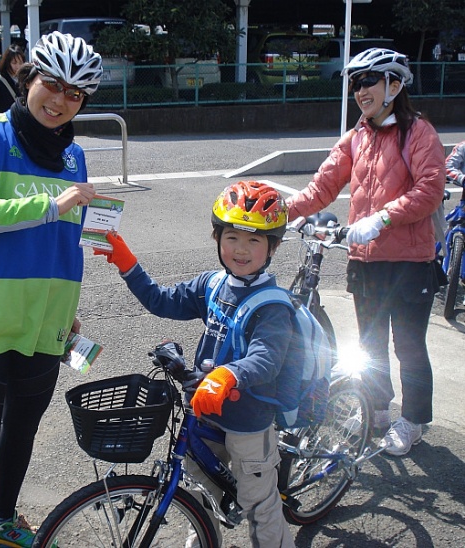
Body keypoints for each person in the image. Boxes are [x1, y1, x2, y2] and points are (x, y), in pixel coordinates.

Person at [0, 31, 103, 548]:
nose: (60, 101)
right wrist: (49, 205)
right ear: (28, 78)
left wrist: (68, 309)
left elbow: (65, 242)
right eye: (52, 84)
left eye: (74, 94)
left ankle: (1, 521)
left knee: (22, 432)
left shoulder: (73, 156)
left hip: (44, 323)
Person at [96, 181, 295, 547]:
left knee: (260, 506)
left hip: (248, 422)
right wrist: (127, 264)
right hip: (204, 410)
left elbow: (267, 358)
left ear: (274, 246)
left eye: (255, 241)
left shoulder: (273, 305)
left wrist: (228, 375)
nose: (241, 250)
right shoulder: (214, 284)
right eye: (232, 237)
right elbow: (162, 301)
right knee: (196, 490)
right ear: (217, 237)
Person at [286, 48, 446, 457]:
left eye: (367, 81)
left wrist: (384, 218)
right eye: (355, 83)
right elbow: (321, 188)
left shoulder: (417, 132)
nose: (360, 91)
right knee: (371, 342)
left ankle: (413, 421)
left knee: (408, 344)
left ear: (394, 85)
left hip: (411, 261)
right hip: (366, 259)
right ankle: (376, 409)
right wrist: (276, 212)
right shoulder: (356, 137)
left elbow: (430, 189)